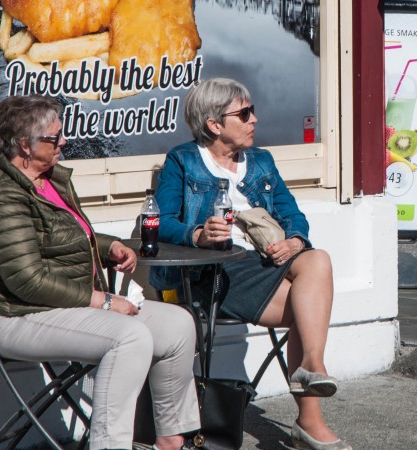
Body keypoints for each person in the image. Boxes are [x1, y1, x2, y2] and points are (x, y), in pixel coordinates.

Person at [0, 95, 199, 450]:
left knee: (178, 325)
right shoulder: (1, 196)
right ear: (25, 144)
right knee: (130, 337)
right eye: (55, 137)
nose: (65, 141)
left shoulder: (47, 179)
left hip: (67, 304)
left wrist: (108, 246)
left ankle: (170, 440)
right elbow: (27, 281)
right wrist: (105, 302)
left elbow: (63, 235)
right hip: (20, 315)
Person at [149, 78, 351, 450]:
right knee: (306, 310)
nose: (254, 119)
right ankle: (310, 419)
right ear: (214, 124)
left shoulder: (260, 161)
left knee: (316, 258)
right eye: (244, 114)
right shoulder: (184, 160)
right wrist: (198, 234)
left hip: (265, 260)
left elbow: (292, 214)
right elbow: (159, 222)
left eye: (252, 111)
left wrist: (294, 240)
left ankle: (312, 365)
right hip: (215, 271)